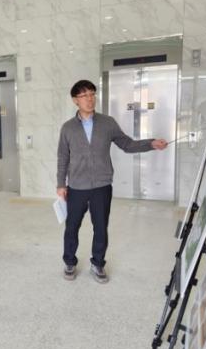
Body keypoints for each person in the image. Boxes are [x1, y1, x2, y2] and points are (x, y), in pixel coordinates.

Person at [57, 80, 167, 283]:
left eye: (92, 94)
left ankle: (98, 263)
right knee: (72, 227)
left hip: (102, 185)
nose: (90, 99)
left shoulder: (107, 123)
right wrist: (61, 184)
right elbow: (63, 157)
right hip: (77, 186)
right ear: (75, 100)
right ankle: (69, 261)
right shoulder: (68, 128)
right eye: (84, 95)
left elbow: (127, 144)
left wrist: (151, 143)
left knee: (100, 227)